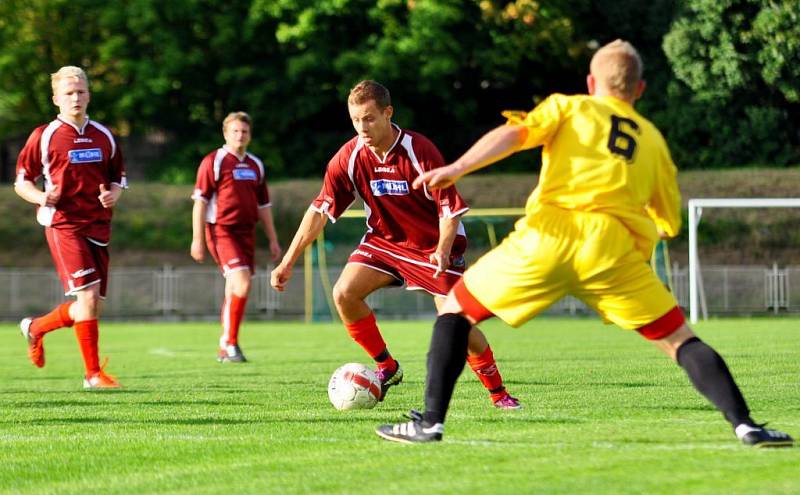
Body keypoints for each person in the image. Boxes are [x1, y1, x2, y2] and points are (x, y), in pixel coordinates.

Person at [376, 40, 794, 447]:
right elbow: (668, 220)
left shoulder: (569, 106)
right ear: (640, 90)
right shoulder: (653, 142)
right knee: (680, 340)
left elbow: (515, 134)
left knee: (455, 310)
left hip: (550, 236)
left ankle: (431, 423)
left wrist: (459, 167)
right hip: (613, 251)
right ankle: (746, 426)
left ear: (592, 82)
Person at [271, 80, 520, 408]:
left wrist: (443, 249)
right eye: (356, 120)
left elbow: (450, 209)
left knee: (455, 321)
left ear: (388, 113)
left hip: (432, 247)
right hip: (384, 243)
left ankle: (499, 394)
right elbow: (319, 210)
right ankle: (387, 367)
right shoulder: (349, 157)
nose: (363, 127)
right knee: (344, 293)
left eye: (370, 118)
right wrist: (288, 261)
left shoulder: (420, 151)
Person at [15, 66, 126, 389]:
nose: (75, 98)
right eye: (68, 93)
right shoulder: (44, 135)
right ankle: (93, 374)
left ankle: (36, 327)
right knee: (88, 297)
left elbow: (118, 177)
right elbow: (22, 182)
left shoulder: (104, 135)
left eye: (80, 92)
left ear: (89, 95)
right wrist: (41, 196)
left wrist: (112, 195)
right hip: (63, 224)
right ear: (56, 99)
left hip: (99, 225)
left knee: (89, 307)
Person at [191, 111, 282, 363]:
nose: (240, 135)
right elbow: (200, 202)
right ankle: (230, 344)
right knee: (241, 282)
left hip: (247, 232)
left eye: (244, 131)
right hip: (221, 230)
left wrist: (273, 239)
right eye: (235, 131)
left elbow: (264, 206)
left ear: (249, 135)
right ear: (225, 133)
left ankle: (225, 344)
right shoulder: (215, 161)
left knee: (235, 287)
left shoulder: (255, 165)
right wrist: (197, 239)